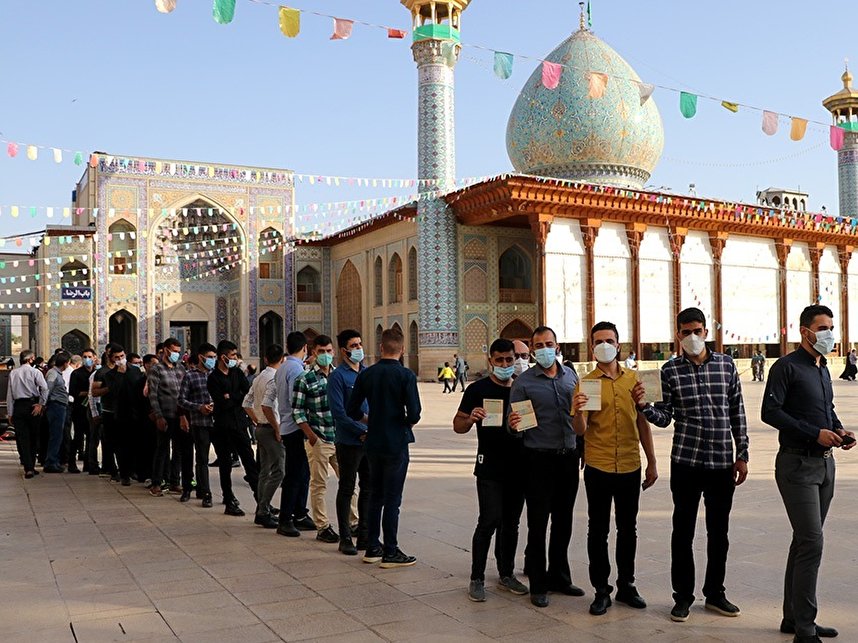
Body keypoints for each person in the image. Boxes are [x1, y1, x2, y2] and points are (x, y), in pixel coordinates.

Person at [634, 307, 749, 623]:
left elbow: (737, 413)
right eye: (686, 332)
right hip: (686, 461)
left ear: (706, 332)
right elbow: (665, 417)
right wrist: (644, 407)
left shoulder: (726, 366)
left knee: (719, 532)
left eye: (697, 331)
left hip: (721, 462)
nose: (692, 337)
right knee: (682, 531)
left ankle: (715, 594)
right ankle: (682, 597)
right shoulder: (669, 371)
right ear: (678, 335)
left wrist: (743, 455)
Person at [762, 305, 855, 642]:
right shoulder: (785, 367)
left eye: (832, 327)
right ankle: (805, 627)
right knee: (812, 542)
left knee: (803, 541)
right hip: (797, 465)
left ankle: (792, 617)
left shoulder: (822, 366)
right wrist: (812, 433)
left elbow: (825, 409)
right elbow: (770, 412)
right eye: (823, 327)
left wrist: (838, 430)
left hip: (825, 463)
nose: (830, 334)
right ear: (805, 332)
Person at [572, 322, 658, 616]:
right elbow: (580, 431)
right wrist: (579, 411)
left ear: (618, 345)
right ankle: (601, 590)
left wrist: (652, 462)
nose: (604, 345)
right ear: (591, 346)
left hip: (630, 465)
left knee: (628, 529)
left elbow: (642, 422)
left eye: (609, 340)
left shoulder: (633, 380)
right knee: (598, 530)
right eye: (598, 341)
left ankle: (626, 585)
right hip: (598, 465)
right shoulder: (586, 383)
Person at [509, 326, 581, 608]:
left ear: (557, 346)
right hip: (539, 459)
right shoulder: (524, 383)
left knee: (564, 520)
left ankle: (560, 577)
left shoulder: (571, 377)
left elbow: (579, 415)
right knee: (538, 522)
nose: (544, 349)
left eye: (548, 344)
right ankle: (538, 583)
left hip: (568, 457)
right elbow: (516, 425)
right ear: (533, 348)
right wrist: (513, 426)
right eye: (538, 346)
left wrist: (582, 448)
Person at [454, 338, 528, 602]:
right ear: (491, 361)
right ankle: (477, 577)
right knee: (489, 520)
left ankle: (506, 573)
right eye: (500, 360)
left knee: (511, 523)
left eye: (510, 360)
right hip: (489, 467)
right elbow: (458, 425)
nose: (506, 365)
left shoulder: (522, 387)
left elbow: (532, 425)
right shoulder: (478, 389)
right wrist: (470, 417)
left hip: (518, 468)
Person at [347, 327, 421, 568]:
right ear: (401, 349)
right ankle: (390, 550)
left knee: (375, 495)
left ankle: (372, 546)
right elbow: (416, 413)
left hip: (373, 442)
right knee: (392, 498)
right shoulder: (405, 375)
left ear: (381, 348)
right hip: (396, 442)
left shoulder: (367, 375)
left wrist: (371, 420)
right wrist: (403, 423)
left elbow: (352, 410)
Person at [292, 334, 347, 544]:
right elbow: (298, 412)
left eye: (328, 351)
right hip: (320, 439)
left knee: (349, 483)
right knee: (319, 485)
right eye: (321, 352)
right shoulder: (304, 379)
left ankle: (354, 522)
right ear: (313, 352)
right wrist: (312, 437)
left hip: (340, 439)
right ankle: (322, 526)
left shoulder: (339, 376)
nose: (325, 355)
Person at [328, 329, 370, 556]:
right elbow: (339, 413)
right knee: (347, 487)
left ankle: (364, 535)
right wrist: (360, 430)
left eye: (360, 344)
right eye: (354, 345)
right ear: (344, 350)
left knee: (368, 487)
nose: (358, 349)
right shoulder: (338, 377)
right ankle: (345, 537)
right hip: (348, 442)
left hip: (368, 441)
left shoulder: (366, 373)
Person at [207, 340, 259, 516]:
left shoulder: (237, 373)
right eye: (233, 356)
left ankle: (261, 501)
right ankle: (229, 500)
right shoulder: (213, 378)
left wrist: (232, 396)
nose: (235, 359)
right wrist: (233, 398)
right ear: (223, 357)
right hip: (223, 427)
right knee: (225, 464)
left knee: (250, 462)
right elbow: (221, 402)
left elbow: (247, 393)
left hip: (240, 424)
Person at [275, 331, 316, 537]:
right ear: (305, 348)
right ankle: (285, 519)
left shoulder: (283, 367)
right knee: (294, 474)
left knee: (302, 473)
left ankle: (299, 513)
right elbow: (297, 401)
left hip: (287, 425)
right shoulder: (297, 370)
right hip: (295, 428)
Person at [242, 343, 285, 528]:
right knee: (279, 471)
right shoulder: (275, 378)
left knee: (265, 471)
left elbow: (246, 402)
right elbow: (268, 406)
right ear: (282, 359)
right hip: (270, 428)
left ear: (266, 359)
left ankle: (262, 507)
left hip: (261, 428)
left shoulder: (259, 377)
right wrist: (276, 428)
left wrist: (255, 419)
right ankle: (264, 510)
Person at [147, 337, 188, 498]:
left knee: (178, 450)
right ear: (165, 350)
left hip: (179, 416)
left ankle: (174, 481)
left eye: (179, 352)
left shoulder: (180, 369)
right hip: (165, 415)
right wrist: (158, 416)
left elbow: (184, 392)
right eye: (174, 351)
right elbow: (153, 394)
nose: (177, 354)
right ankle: (156, 483)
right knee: (162, 449)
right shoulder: (156, 370)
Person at [99, 345, 145, 486]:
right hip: (120, 415)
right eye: (117, 357)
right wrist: (119, 373)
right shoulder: (109, 375)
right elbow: (114, 391)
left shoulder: (135, 371)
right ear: (111, 359)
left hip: (136, 413)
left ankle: (135, 471)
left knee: (136, 445)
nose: (120, 359)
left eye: (122, 356)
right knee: (121, 446)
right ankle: (124, 473)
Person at [178, 346, 217, 507]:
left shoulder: (215, 376)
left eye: (214, 356)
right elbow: (181, 400)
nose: (212, 360)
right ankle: (205, 492)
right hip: (199, 422)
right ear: (201, 357)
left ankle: (205, 488)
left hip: (216, 422)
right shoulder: (190, 376)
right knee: (202, 458)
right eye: (210, 356)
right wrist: (199, 407)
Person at [6, 350, 48, 478]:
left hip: (19, 406)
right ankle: (31, 466)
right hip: (32, 406)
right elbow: (45, 388)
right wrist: (41, 404)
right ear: (30, 359)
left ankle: (28, 467)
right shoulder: (36, 372)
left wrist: (10, 413)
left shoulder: (13, 373)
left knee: (23, 438)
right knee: (34, 437)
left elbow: (10, 395)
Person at [43, 352, 70, 473]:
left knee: (58, 435)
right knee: (56, 435)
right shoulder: (53, 374)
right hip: (55, 406)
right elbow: (47, 389)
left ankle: (54, 460)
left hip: (59, 406)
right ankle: (51, 462)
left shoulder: (56, 373)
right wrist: (43, 404)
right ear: (65, 363)